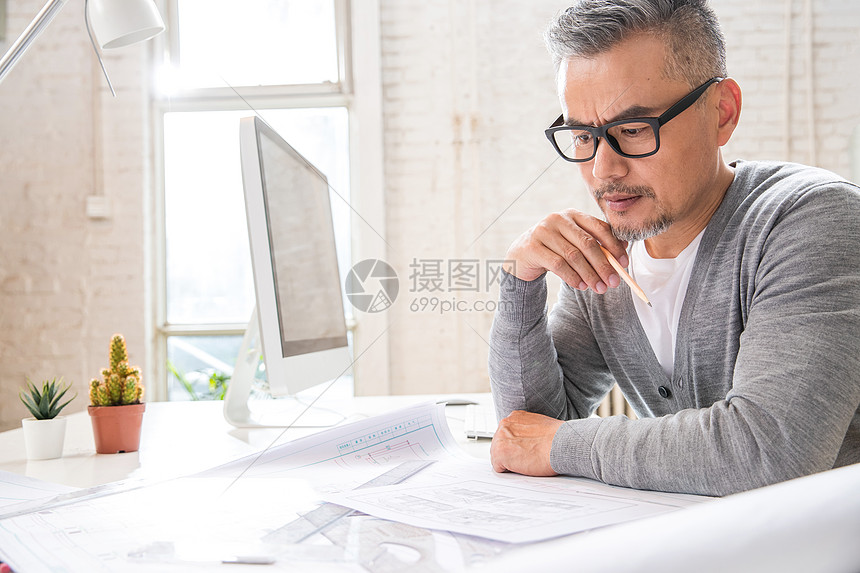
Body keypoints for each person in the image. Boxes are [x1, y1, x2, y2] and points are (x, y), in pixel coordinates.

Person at [488, 0, 860, 496]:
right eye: (583, 135)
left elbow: (771, 450)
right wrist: (520, 281)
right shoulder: (610, 257)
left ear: (721, 113)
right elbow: (528, 428)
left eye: (634, 130)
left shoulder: (812, 220)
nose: (603, 170)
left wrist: (565, 447)